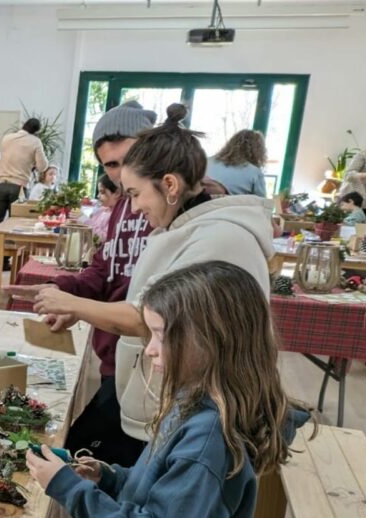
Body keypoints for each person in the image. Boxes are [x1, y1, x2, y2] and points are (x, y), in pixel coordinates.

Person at [27, 260, 311, 518]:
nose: (150, 348)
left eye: (160, 335)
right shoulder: (195, 400)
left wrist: (67, 488)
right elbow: (161, 493)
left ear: (210, 340)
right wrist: (107, 477)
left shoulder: (211, 438)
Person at [30, 104, 274, 448]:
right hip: (161, 398)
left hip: (196, 417)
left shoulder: (218, 237)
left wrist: (72, 303)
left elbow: (148, 317)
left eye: (134, 193)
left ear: (170, 184)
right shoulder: (180, 227)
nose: (132, 208)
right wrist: (76, 303)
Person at [4, 100, 156, 466]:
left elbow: (149, 312)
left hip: (150, 369)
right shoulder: (123, 207)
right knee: (81, 457)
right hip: (114, 361)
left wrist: (74, 306)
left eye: (128, 160)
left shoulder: (165, 209)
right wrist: (61, 289)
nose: (120, 175)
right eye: (111, 166)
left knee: (81, 458)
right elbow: (105, 270)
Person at [0, 118, 49, 225]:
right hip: (19, 187)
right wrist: (33, 163)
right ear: (36, 131)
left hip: (2, 185)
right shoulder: (35, 142)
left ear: (24, 125)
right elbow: (42, 167)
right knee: (16, 223)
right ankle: (11, 242)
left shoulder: (7, 138)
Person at [206, 129, 268, 197]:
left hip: (198, 205)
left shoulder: (206, 162)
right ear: (258, 151)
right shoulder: (255, 173)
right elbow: (261, 203)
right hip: (231, 206)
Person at [88, 173, 121, 239]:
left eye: (102, 192)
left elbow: (105, 238)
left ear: (117, 193)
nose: (98, 196)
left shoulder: (119, 215)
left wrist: (86, 222)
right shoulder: (101, 210)